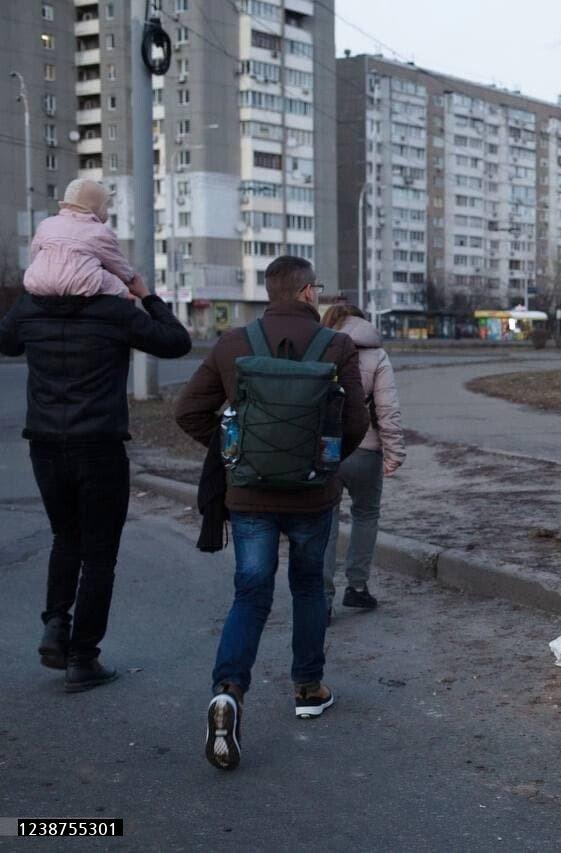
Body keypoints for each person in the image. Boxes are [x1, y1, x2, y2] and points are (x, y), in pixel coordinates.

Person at [175, 256, 369, 772]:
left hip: (249, 497)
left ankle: (228, 692)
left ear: (270, 292)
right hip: (312, 496)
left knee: (251, 592)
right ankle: (307, 688)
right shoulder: (337, 345)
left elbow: (187, 411)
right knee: (308, 587)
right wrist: (323, 461)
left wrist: (232, 452)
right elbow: (355, 422)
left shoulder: (233, 345)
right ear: (308, 292)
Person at [0, 260, 191, 691]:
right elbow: (177, 342)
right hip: (99, 447)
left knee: (65, 537)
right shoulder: (114, 311)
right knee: (100, 554)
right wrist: (145, 295)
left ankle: (55, 625)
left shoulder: (32, 307)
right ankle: (83, 657)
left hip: (45, 445)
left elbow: (7, 342)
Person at [319, 303, 405, 617]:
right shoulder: (377, 356)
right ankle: (357, 587)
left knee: (325, 522)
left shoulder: (319, 349)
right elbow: (387, 410)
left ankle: (322, 599)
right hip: (366, 451)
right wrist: (394, 453)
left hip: (325, 451)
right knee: (366, 515)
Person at [23, 179, 134, 299]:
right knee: (120, 288)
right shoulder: (99, 231)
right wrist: (128, 279)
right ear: (97, 206)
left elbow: (34, 255)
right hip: (81, 282)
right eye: (105, 205)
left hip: (38, 281)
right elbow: (119, 267)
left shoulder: (46, 223)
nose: (107, 209)